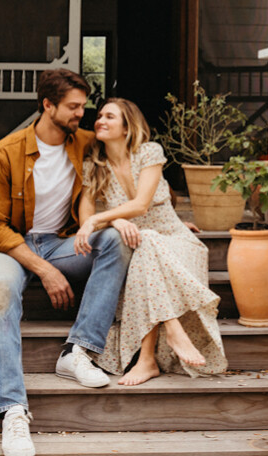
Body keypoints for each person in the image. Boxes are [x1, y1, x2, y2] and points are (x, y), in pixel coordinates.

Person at [0, 69, 132, 456]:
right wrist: (44, 269)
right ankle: (12, 411)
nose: (82, 114)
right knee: (4, 291)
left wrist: (155, 214)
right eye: (73, 107)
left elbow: (135, 159)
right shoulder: (6, 152)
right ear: (48, 105)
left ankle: (77, 352)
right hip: (7, 248)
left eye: (83, 106)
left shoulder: (86, 144)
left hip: (59, 243)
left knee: (114, 240)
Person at [75, 98, 227, 386]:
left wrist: (100, 219)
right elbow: (86, 209)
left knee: (148, 240)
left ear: (127, 127)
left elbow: (141, 205)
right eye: (100, 116)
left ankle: (148, 359)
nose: (100, 121)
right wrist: (114, 220)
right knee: (145, 241)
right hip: (141, 246)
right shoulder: (94, 165)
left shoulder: (149, 151)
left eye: (109, 116)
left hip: (175, 241)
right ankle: (169, 333)